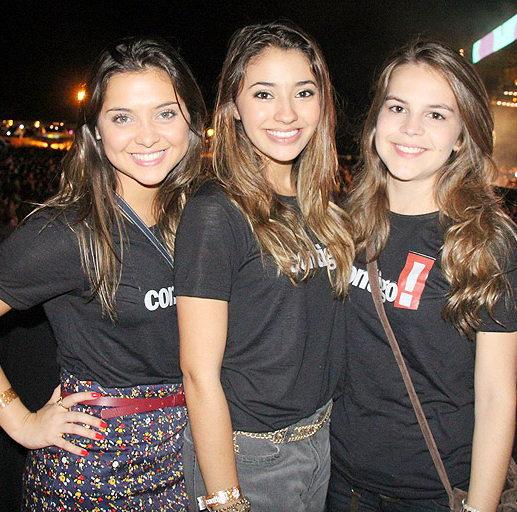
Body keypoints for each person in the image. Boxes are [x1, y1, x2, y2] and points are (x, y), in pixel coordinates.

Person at [0, 37, 206, 511]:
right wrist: (18, 422)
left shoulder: (205, 217)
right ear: (96, 132)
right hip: (95, 466)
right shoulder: (67, 232)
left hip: (192, 455)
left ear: (192, 122)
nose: (148, 136)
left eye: (166, 113)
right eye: (122, 117)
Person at [328, 40, 517, 512]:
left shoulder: (484, 242)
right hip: (340, 481)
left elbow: (497, 395)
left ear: (462, 135)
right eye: (397, 107)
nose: (411, 128)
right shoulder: (342, 225)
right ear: (377, 117)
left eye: (437, 115)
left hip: (434, 492)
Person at [174, 22, 354, 512]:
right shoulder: (216, 210)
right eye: (263, 93)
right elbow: (197, 373)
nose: (287, 113)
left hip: (320, 441)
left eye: (303, 92)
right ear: (233, 108)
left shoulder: (322, 206)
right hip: (249, 455)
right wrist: (226, 497)